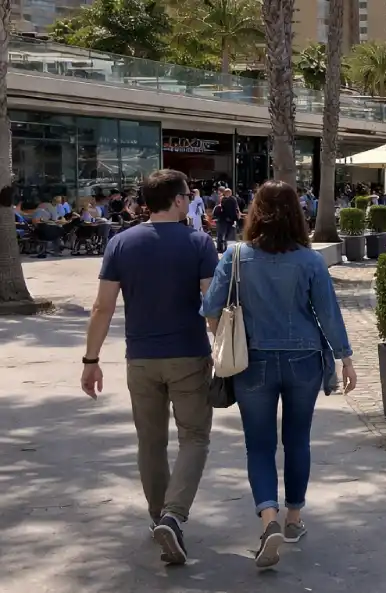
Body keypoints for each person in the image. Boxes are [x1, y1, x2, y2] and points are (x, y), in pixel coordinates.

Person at [200, 180, 356, 569]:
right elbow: (328, 315)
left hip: (252, 360)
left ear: (254, 212)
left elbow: (210, 311)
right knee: (298, 439)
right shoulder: (309, 261)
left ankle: (267, 519)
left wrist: (227, 335)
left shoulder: (234, 256)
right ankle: (293, 519)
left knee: (259, 445)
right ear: (297, 215)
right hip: (303, 357)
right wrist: (346, 358)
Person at [80, 169, 218, 566]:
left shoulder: (121, 243)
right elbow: (211, 308)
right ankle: (174, 517)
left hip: (139, 358)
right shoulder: (199, 242)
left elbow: (102, 306)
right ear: (177, 200)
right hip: (189, 354)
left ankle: (159, 515)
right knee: (194, 437)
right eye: (188, 196)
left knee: (150, 441)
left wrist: (91, 360)